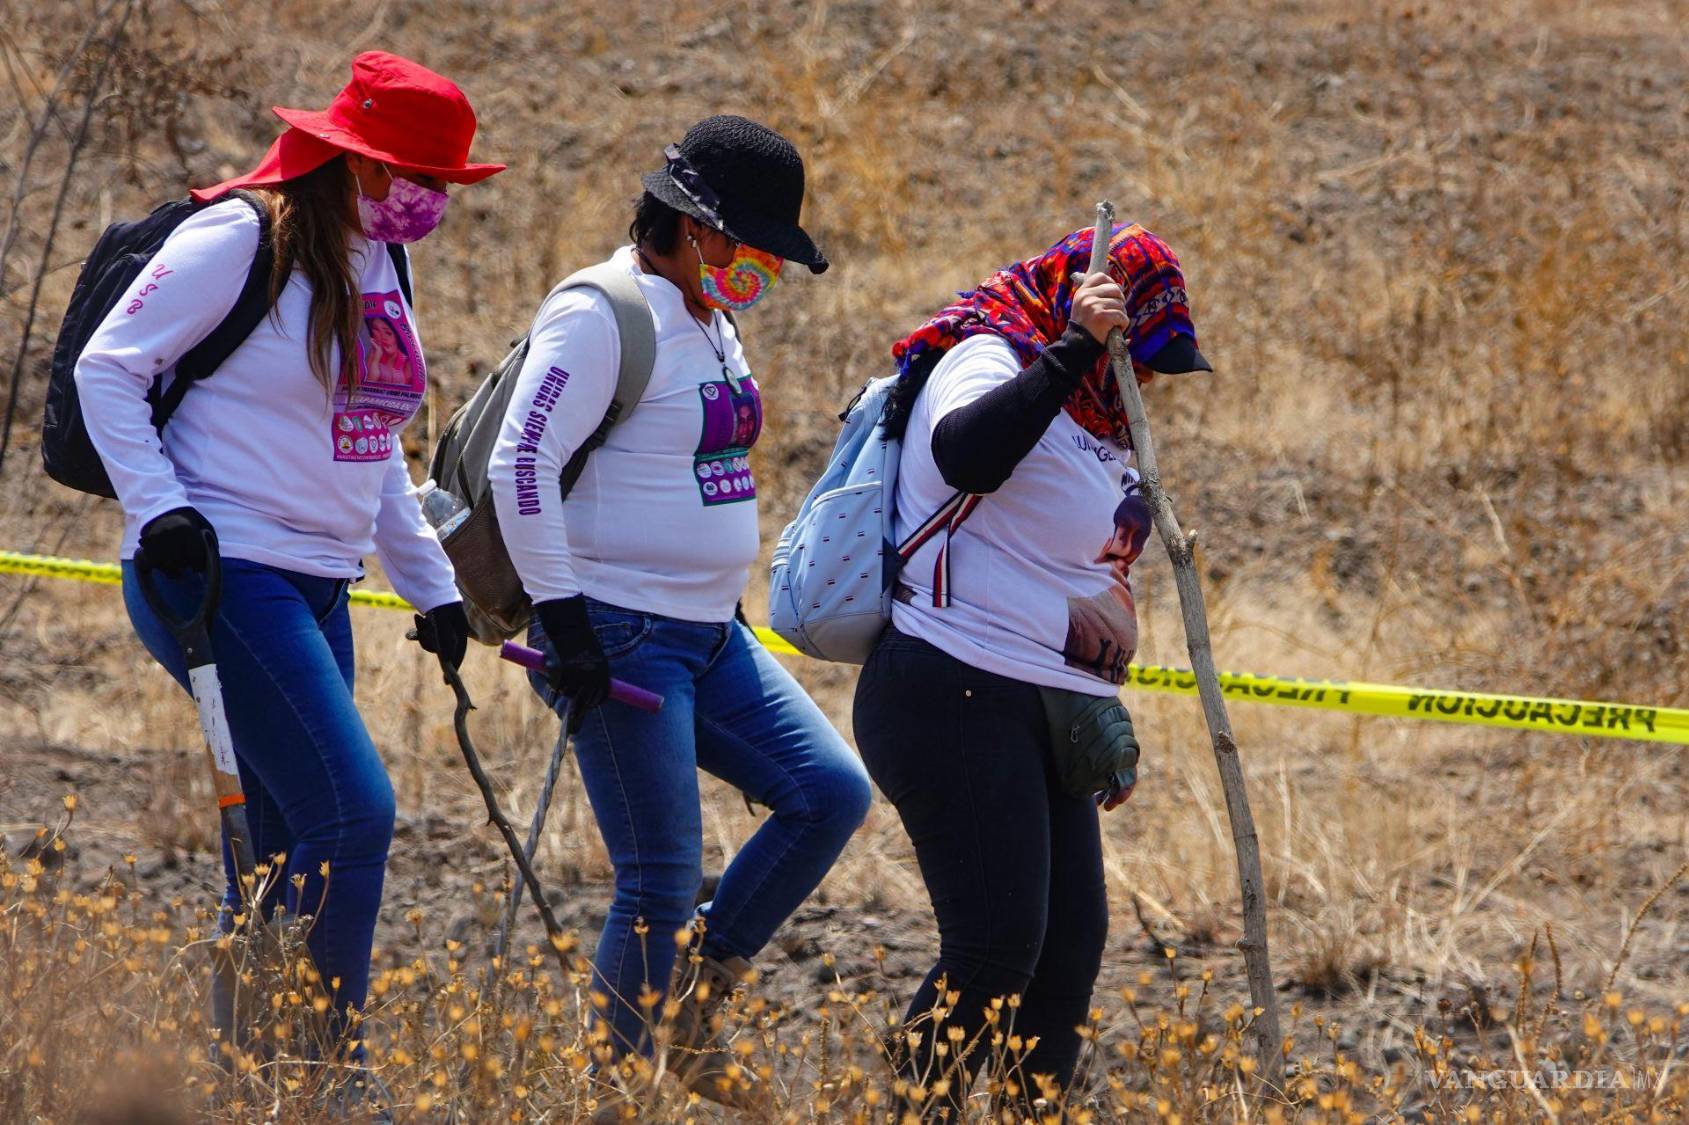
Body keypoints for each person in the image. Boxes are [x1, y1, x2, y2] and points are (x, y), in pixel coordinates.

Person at [75, 50, 500, 1094]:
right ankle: (327, 1074)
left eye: (443, 182)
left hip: (315, 583)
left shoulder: (378, 259)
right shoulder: (238, 238)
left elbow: (373, 439)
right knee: (352, 815)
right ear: (355, 160)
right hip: (221, 574)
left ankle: (244, 1083)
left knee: (271, 858)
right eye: (420, 176)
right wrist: (160, 508)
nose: (433, 200)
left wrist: (433, 585)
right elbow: (108, 368)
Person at [486, 116, 872, 1104]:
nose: (764, 270)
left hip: (709, 633)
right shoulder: (600, 313)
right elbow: (521, 462)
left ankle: (692, 1011)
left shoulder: (709, 318)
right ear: (696, 228)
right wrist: (566, 621)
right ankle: (616, 1094)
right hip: (618, 633)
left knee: (828, 792)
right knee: (658, 875)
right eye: (754, 247)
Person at [854, 221, 1212, 1111]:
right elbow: (966, 455)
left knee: (1065, 956)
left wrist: (1100, 707)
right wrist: (1071, 348)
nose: (1143, 381)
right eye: (1135, 354)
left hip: (1045, 709)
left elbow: (1076, 569)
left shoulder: (1098, 417)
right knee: (994, 947)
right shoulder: (988, 355)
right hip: (951, 687)